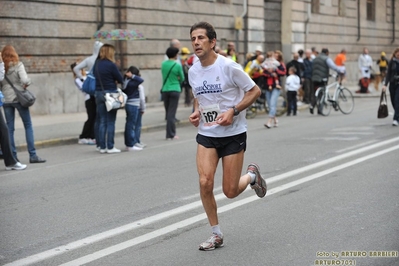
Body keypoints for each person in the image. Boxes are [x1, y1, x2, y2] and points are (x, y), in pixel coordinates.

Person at [188, 21, 266, 251]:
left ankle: (252, 177)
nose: (196, 42)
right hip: (207, 133)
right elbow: (198, 97)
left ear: (213, 42)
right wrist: (195, 112)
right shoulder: (193, 70)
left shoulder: (229, 67)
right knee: (205, 182)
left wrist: (234, 110)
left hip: (233, 133)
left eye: (201, 38)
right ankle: (216, 234)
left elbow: (255, 91)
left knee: (230, 191)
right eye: (193, 38)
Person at [0, 45, 46, 163]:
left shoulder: (2, 67)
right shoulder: (18, 65)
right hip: (19, 99)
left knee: (9, 128)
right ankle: (33, 155)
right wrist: (26, 84)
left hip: (6, 100)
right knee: (28, 125)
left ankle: (13, 156)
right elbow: (25, 80)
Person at [93, 44, 124, 153]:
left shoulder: (96, 64)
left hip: (98, 93)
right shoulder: (111, 65)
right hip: (110, 93)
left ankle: (102, 147)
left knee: (102, 121)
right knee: (110, 121)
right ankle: (110, 147)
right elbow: (120, 78)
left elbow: (94, 75)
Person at [0, 52, 27, 170]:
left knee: (4, 130)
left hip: (6, 99)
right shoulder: (18, 65)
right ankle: (11, 162)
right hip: (15, 98)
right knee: (5, 130)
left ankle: (10, 161)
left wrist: (1, 62)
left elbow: (1, 78)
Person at [73, 41, 103, 146]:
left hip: (92, 88)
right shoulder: (100, 60)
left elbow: (76, 68)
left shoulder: (89, 59)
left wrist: (83, 78)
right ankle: (89, 136)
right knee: (94, 116)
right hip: (98, 88)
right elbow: (76, 68)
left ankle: (92, 135)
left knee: (94, 116)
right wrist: (82, 78)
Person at [161, 47, 184, 140]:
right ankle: (171, 134)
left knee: (168, 112)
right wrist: (177, 79)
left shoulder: (163, 64)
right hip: (175, 89)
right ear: (175, 54)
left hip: (165, 89)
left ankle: (169, 134)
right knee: (172, 113)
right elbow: (182, 78)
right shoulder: (177, 65)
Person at [310, 48, 342, 115]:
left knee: (314, 93)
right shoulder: (326, 58)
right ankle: (320, 110)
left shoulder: (315, 58)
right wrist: (339, 71)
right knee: (323, 93)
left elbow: (315, 68)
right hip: (322, 78)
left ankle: (312, 105)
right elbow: (333, 66)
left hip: (314, 77)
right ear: (327, 52)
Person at [70, 62, 96, 145]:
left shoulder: (88, 73)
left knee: (95, 118)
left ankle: (92, 136)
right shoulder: (78, 79)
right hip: (88, 99)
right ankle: (83, 136)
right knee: (91, 118)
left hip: (94, 97)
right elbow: (84, 88)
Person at [123, 66, 144, 151]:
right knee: (131, 125)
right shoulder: (132, 82)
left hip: (129, 103)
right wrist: (132, 76)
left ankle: (129, 143)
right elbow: (141, 80)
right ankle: (130, 144)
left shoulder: (126, 81)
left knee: (129, 124)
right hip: (133, 104)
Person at [382, 48, 399, 126]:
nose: (398, 54)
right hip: (392, 84)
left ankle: (395, 119)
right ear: (395, 53)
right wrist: (385, 85)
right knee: (393, 101)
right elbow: (388, 74)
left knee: (396, 100)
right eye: (397, 52)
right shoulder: (392, 62)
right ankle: (397, 115)